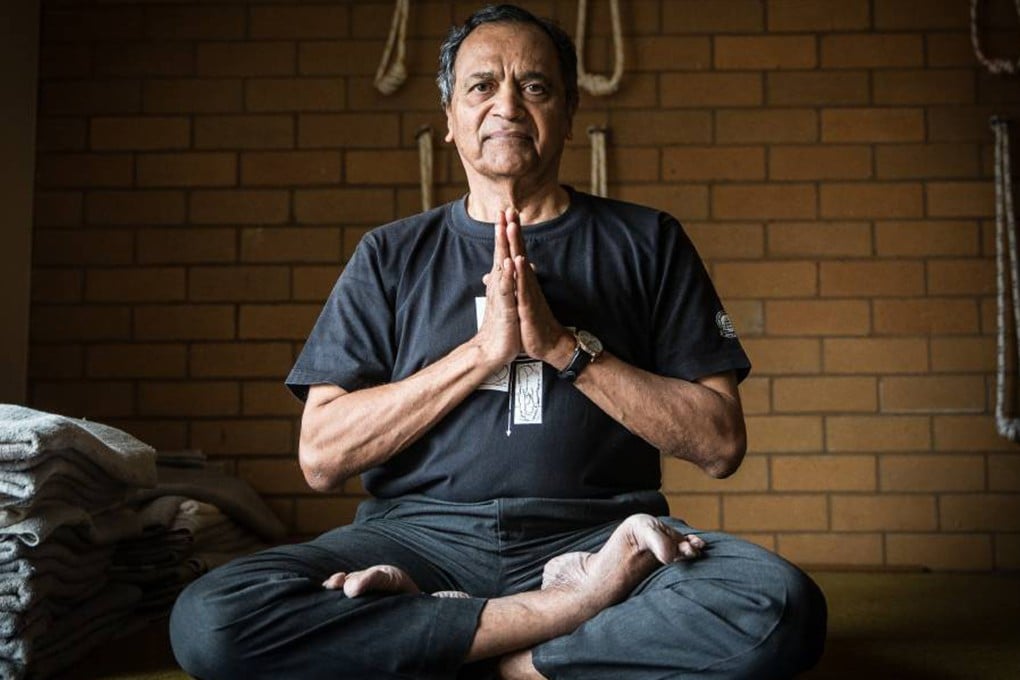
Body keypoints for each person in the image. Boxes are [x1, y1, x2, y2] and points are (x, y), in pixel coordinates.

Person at [169, 4, 827, 678]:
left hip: (599, 537)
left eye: (535, 87)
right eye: (482, 86)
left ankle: (465, 640)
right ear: (450, 119)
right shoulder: (390, 255)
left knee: (776, 606)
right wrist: (481, 352)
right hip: (417, 540)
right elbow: (322, 455)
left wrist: (564, 349)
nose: (507, 104)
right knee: (212, 618)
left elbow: (720, 444)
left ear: (569, 111)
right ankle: (566, 621)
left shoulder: (648, 241)